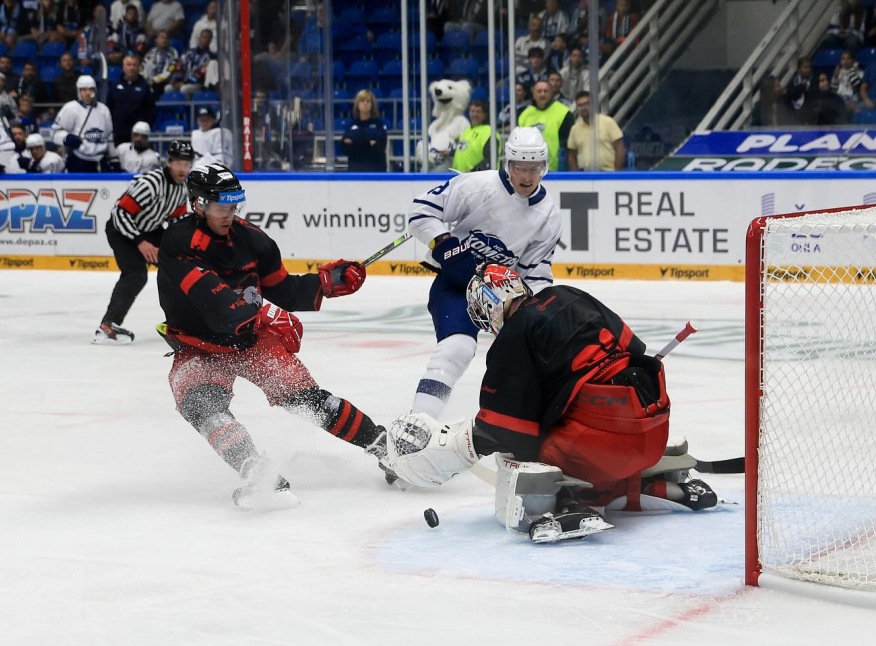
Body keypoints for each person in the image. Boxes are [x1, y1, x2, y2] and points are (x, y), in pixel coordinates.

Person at [386, 264, 719, 543]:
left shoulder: (514, 337)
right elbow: (635, 347)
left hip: (600, 449)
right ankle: (650, 485)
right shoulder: (569, 294)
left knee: (523, 448)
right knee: (574, 417)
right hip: (652, 434)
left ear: (490, 305)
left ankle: (562, 503)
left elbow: (504, 429)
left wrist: (459, 447)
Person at [156, 162, 393, 509]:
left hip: (251, 338)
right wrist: (264, 313)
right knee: (201, 404)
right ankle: (259, 473)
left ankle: (385, 448)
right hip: (198, 346)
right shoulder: (178, 243)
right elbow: (215, 300)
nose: (230, 214)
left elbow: (283, 289)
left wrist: (323, 284)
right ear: (199, 204)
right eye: (222, 207)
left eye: (234, 206)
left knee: (307, 399)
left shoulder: (254, 240)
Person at [406, 127, 563, 420]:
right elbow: (420, 212)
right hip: (457, 286)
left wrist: (535, 308)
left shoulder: (549, 215)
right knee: (457, 348)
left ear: (545, 167)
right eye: (520, 168)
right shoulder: (476, 185)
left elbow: (536, 271)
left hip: (505, 300)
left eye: (534, 168)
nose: (527, 177)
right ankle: (418, 423)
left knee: (535, 359)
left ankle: (524, 433)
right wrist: (445, 244)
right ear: (508, 164)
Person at [95, 140, 193, 345]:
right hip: (121, 230)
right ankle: (108, 325)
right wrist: (141, 242)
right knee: (136, 274)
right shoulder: (151, 183)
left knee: (179, 267)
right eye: (179, 163)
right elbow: (120, 213)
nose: (183, 168)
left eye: (187, 164)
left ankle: (184, 322)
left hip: (150, 229)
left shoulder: (183, 188)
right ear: (169, 163)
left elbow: (175, 222)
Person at [52, 75, 119, 172]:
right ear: (78, 91)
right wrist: (66, 138)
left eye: (91, 89)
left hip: (101, 160)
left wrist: (113, 158)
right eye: (84, 89)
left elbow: (109, 136)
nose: (88, 92)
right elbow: (54, 133)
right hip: (79, 159)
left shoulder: (104, 110)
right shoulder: (70, 108)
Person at [518, 79, 574, 172]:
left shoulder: (564, 112)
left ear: (552, 93)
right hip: (529, 169)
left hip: (556, 169)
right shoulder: (525, 115)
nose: (542, 94)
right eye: (539, 91)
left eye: (546, 91)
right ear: (533, 93)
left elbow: (569, 144)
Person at [567, 91, 625, 171]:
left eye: (587, 104)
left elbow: (620, 148)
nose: (584, 108)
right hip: (585, 176)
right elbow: (572, 155)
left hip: (608, 174)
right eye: (580, 105)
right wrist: (576, 176)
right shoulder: (575, 129)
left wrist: (616, 174)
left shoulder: (608, 122)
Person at [107, 54, 155, 144]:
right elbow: (109, 107)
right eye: (129, 65)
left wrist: (145, 128)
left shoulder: (145, 87)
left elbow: (151, 111)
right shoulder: (115, 85)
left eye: (134, 65)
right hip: (118, 134)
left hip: (139, 135)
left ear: (139, 68)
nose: (132, 68)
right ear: (123, 67)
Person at [340, 89, 387, 172]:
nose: (365, 103)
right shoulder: (351, 125)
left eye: (368, 101)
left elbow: (378, 149)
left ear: (372, 104)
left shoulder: (379, 125)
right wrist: (368, 144)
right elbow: (344, 147)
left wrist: (355, 143)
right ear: (357, 104)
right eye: (362, 101)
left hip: (375, 172)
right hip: (355, 172)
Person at [452, 99, 499, 172]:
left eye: (478, 112)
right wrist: (450, 152)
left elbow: (490, 158)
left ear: (485, 114)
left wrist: (473, 170)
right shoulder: (467, 130)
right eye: (472, 111)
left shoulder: (490, 132)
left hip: (478, 178)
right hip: (461, 176)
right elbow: (464, 150)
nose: (474, 114)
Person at [143, 30, 179, 98]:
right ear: (157, 40)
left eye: (166, 38)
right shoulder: (151, 52)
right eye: (162, 38)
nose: (164, 40)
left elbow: (169, 71)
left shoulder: (173, 52)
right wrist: (145, 79)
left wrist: (155, 79)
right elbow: (144, 65)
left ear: (169, 40)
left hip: (165, 81)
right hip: (150, 80)